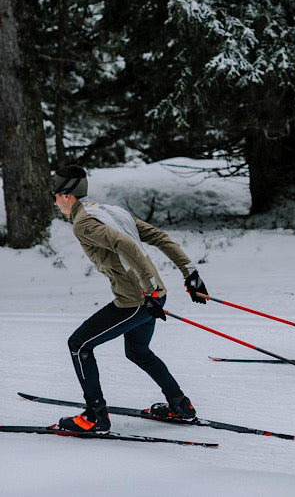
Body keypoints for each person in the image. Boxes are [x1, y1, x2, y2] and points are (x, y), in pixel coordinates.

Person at [51, 165, 209, 432]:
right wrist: (190, 273)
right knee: (137, 351)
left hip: (137, 301)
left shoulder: (84, 223)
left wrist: (146, 291)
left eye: (54, 195)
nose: (54, 202)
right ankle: (180, 406)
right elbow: (158, 237)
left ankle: (94, 417)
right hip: (154, 297)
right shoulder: (112, 211)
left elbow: (126, 245)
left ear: (67, 195)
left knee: (79, 345)